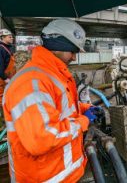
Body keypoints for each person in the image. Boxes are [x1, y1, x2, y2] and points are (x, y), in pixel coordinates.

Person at [2, 19, 95, 183]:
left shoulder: (53, 75)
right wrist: (83, 121)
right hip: (44, 178)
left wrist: (84, 108)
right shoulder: (31, 83)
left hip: (64, 173)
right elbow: (42, 138)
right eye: (72, 51)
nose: (74, 57)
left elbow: (58, 109)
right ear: (57, 45)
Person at [0, 27, 14, 97]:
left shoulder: (7, 48)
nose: (12, 38)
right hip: (2, 80)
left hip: (7, 78)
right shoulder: (1, 49)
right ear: (3, 37)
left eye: (12, 37)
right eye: (9, 37)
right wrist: (5, 78)